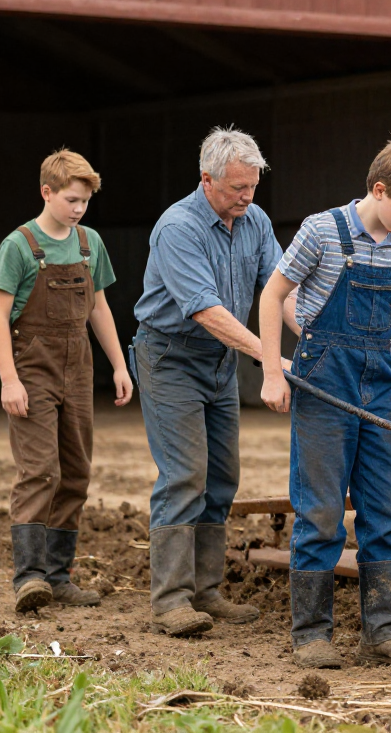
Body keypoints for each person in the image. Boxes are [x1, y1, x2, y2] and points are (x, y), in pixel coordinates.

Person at [259, 136, 391, 669]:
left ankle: (382, 631)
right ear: (379, 188)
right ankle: (312, 635)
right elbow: (272, 296)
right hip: (324, 379)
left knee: (386, 510)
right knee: (320, 510)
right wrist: (274, 371)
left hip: (380, 386)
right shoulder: (322, 231)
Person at [133, 127, 294, 636]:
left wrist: (309, 338)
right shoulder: (178, 227)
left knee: (222, 477)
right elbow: (205, 310)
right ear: (207, 181)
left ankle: (206, 592)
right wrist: (272, 358)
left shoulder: (256, 220)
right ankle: (171, 601)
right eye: (237, 189)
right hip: (172, 357)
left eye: (253, 187)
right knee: (185, 474)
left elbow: (279, 289)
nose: (248, 198)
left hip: (220, 364)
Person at [0, 149, 132, 613]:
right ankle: (28, 577)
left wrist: (119, 365)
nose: (78, 210)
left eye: (85, 202)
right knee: (40, 471)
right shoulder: (19, 245)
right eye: (71, 200)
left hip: (79, 369)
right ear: (46, 192)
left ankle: (58, 575)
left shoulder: (90, 244)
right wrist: (9, 380)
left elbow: (99, 308)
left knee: (76, 473)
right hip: (32, 369)